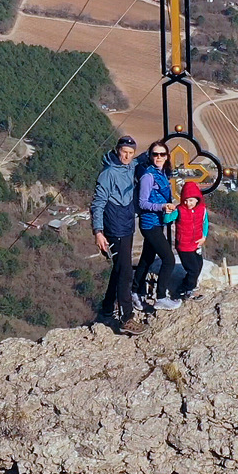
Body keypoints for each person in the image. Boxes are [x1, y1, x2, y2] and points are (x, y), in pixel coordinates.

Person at [90, 134, 142, 333]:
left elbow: (144, 158)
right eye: (124, 152)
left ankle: (106, 308)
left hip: (127, 226)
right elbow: (98, 203)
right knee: (126, 272)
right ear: (117, 150)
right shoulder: (109, 172)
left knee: (120, 269)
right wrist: (98, 232)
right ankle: (126, 318)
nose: (127, 156)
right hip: (114, 228)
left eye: (130, 153)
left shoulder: (131, 165)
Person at [133, 140, 179, 309]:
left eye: (162, 154)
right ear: (150, 156)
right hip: (150, 224)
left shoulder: (162, 174)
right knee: (169, 259)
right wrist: (162, 206)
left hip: (157, 222)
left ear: (167, 157)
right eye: (155, 154)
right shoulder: (148, 176)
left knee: (147, 258)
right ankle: (160, 297)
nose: (158, 157)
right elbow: (143, 203)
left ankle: (135, 291)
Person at [163, 180, 208, 307]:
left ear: (197, 199)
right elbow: (167, 219)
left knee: (199, 265)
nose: (188, 203)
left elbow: (205, 223)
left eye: (191, 200)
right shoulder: (180, 210)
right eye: (186, 200)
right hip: (184, 245)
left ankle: (187, 284)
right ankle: (186, 290)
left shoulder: (202, 210)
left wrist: (204, 236)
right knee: (193, 269)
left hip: (196, 244)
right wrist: (167, 213)